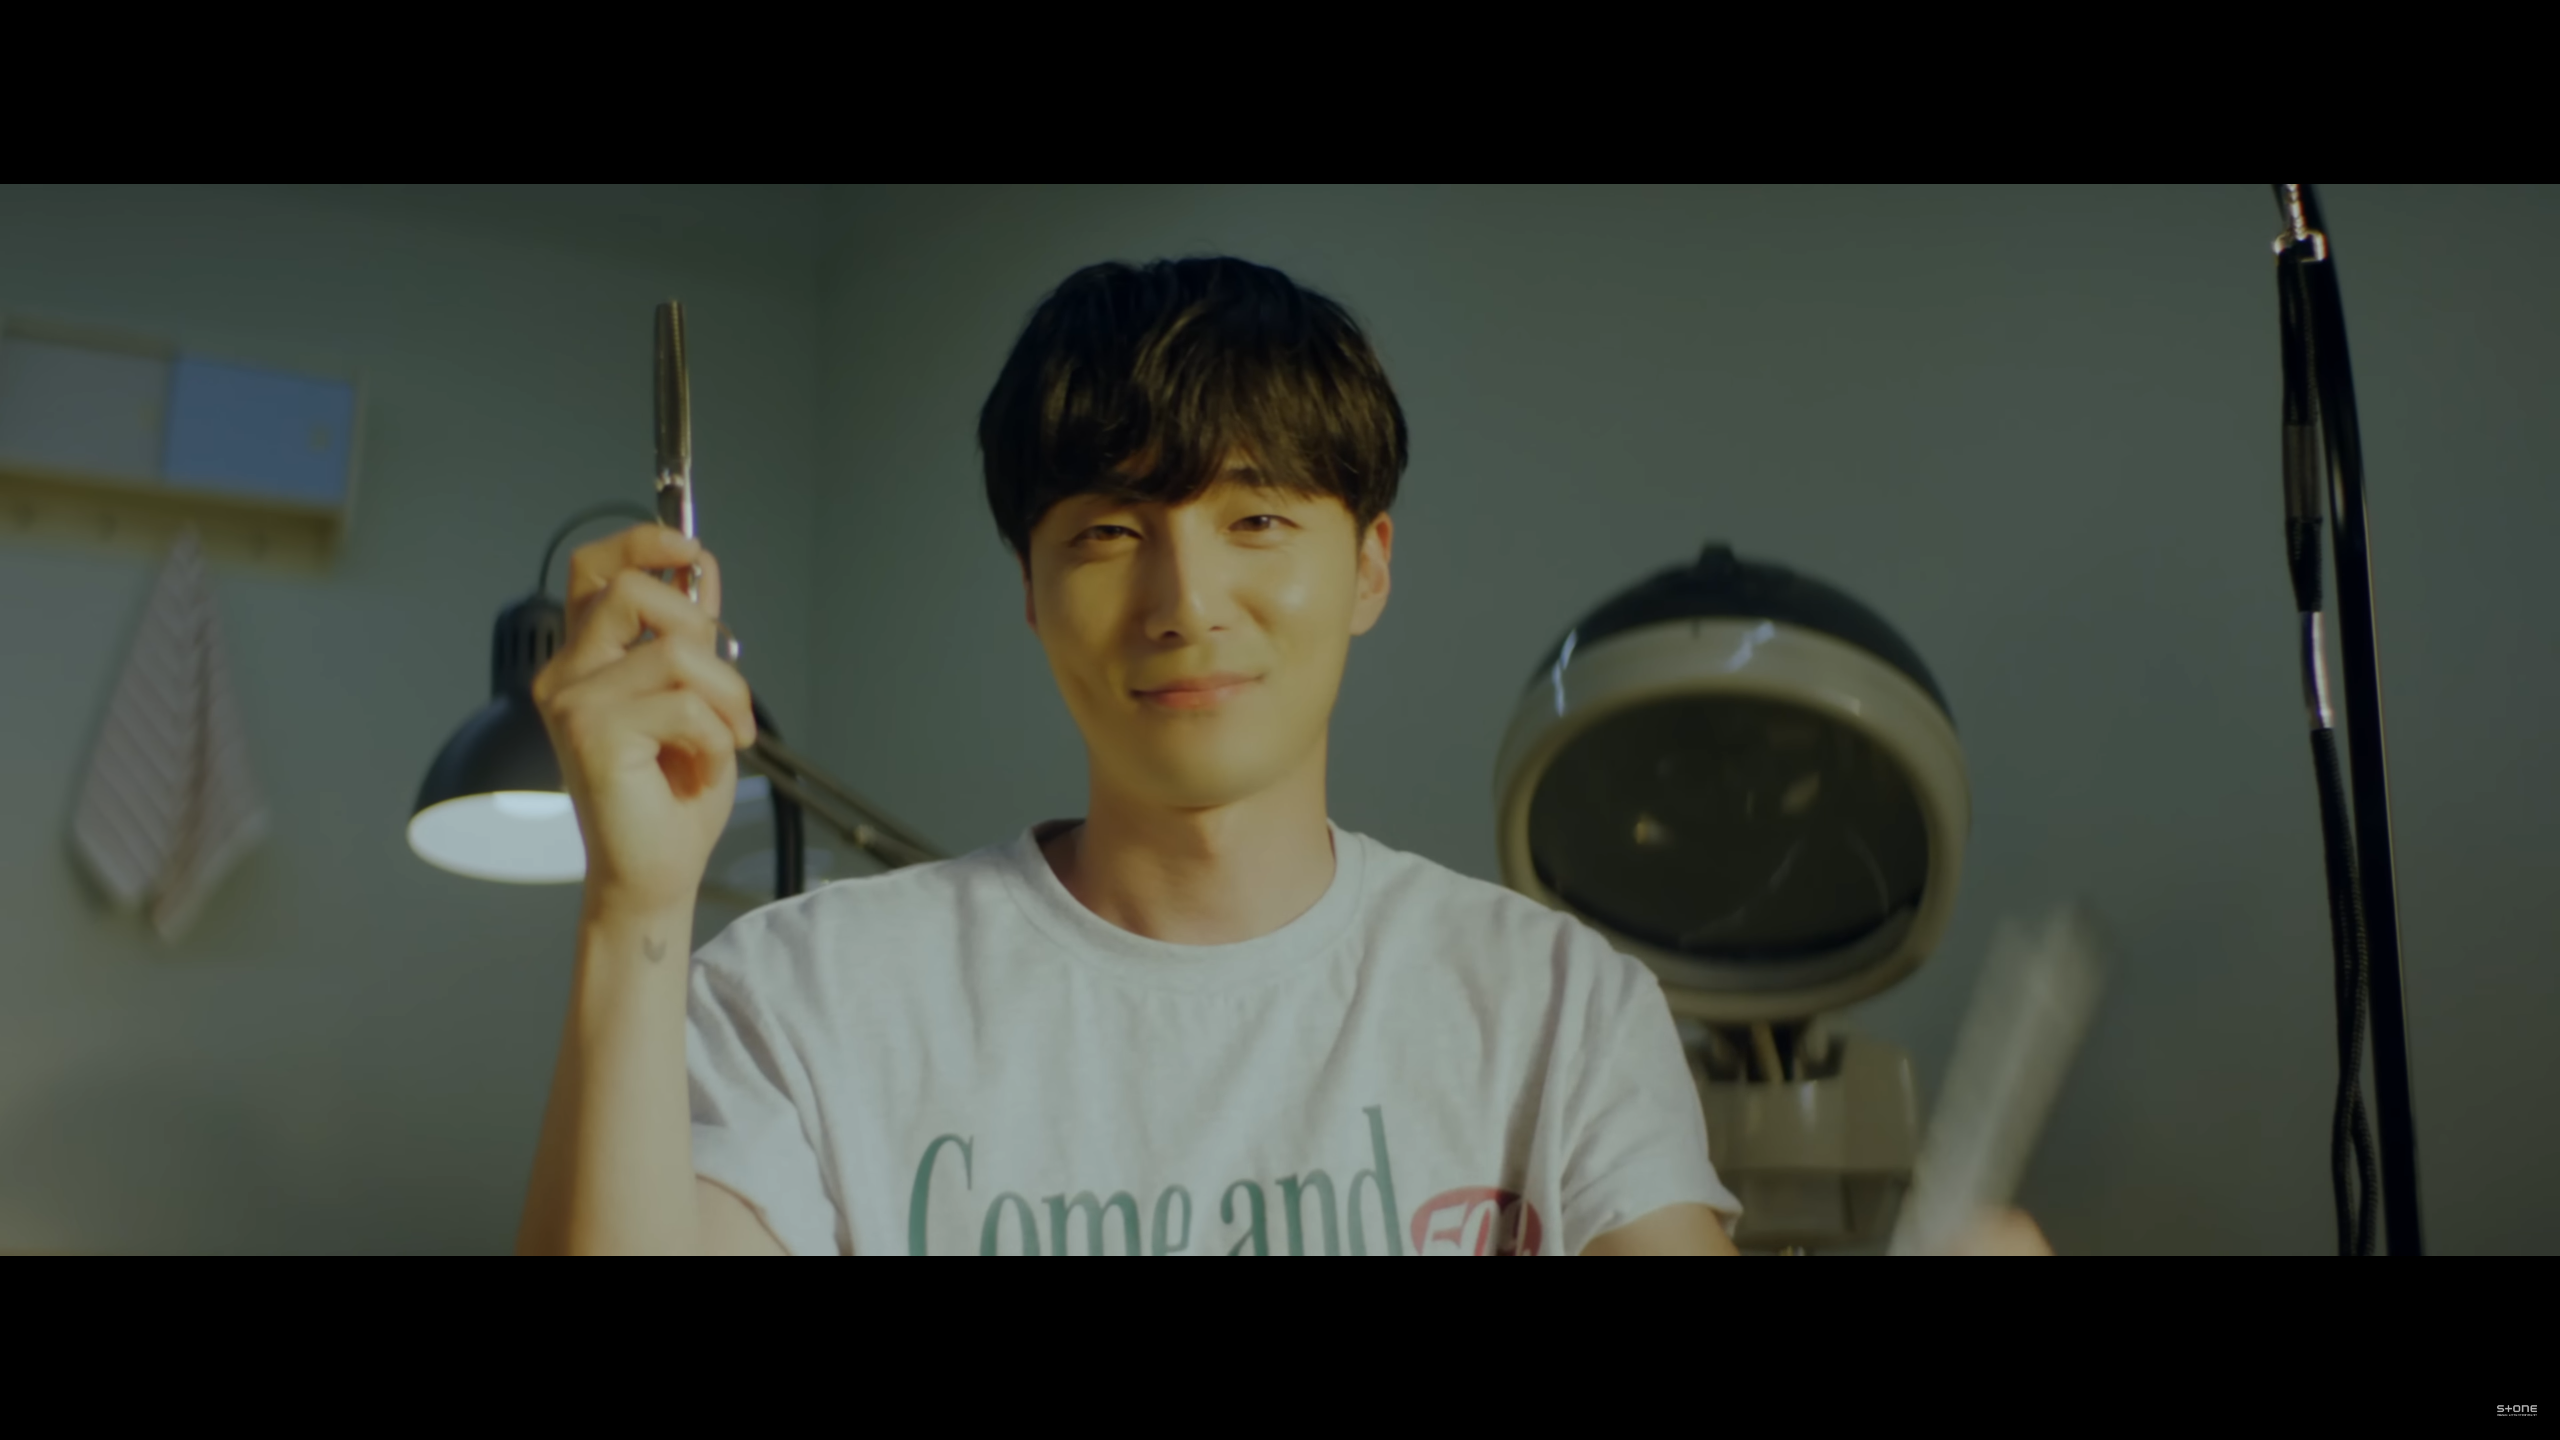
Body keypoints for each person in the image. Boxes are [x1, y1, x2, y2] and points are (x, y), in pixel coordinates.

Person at [514, 256, 2051, 1256]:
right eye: (1108, 534)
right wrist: (634, 904)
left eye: (1257, 519)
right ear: (1032, 591)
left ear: (1369, 565)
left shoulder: (1554, 1010)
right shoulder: (812, 998)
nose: (1187, 601)